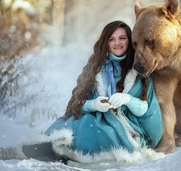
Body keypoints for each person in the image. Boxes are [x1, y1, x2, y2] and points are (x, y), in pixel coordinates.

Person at [20, 20, 163, 164]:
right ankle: (52, 147)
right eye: (111, 39)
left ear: (130, 41)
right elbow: (77, 105)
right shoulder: (95, 68)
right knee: (82, 122)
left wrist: (127, 100)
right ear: (105, 43)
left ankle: (65, 152)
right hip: (98, 118)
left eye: (122, 38)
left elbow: (146, 109)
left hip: (129, 128)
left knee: (99, 129)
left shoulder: (139, 68)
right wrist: (94, 105)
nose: (117, 43)